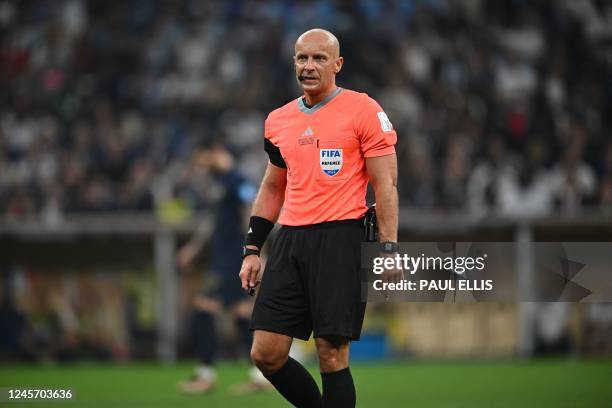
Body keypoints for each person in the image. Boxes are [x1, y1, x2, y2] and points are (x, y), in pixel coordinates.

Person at [239, 28, 400, 407]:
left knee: (330, 353)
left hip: (341, 239)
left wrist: (389, 247)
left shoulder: (364, 109)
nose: (308, 66)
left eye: (319, 58)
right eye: (302, 58)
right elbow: (272, 188)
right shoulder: (278, 120)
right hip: (289, 241)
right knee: (266, 353)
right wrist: (252, 248)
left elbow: (386, 185)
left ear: (337, 64)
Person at [177, 145, 271, 394]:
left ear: (218, 153)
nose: (203, 164)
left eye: (206, 158)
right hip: (223, 258)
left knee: (203, 307)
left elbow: (251, 212)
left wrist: (254, 252)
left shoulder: (238, 181)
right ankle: (261, 375)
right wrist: (193, 248)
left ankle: (206, 375)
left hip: (234, 259)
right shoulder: (218, 184)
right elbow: (212, 222)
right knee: (240, 313)